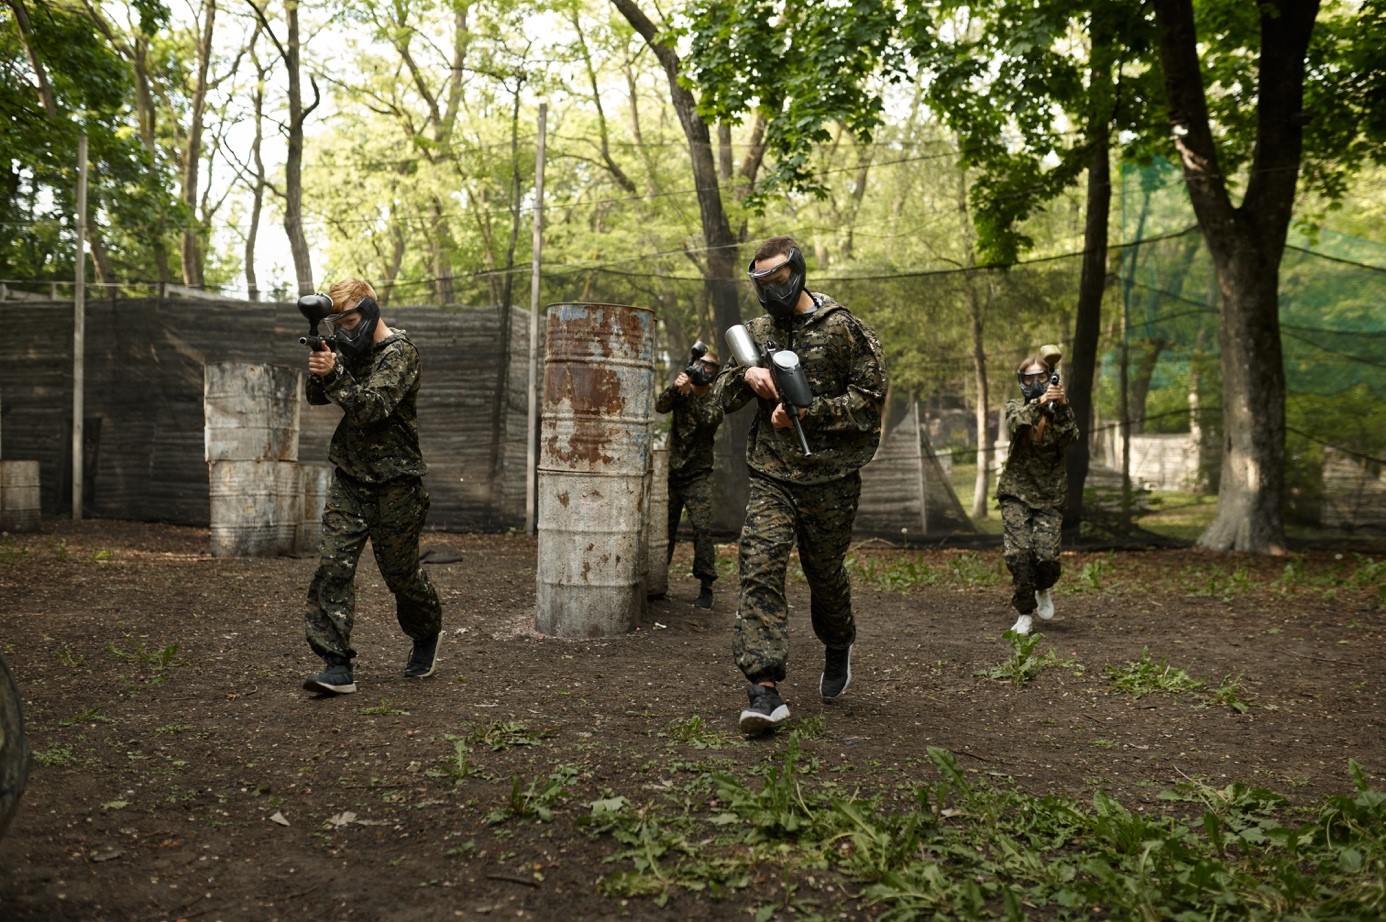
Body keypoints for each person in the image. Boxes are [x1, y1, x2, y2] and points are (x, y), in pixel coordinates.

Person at [716, 236, 886, 735]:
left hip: (831, 478)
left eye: (782, 280)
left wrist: (813, 412)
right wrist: (747, 375)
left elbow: (869, 404)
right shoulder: (756, 332)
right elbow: (721, 398)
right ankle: (763, 690)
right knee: (759, 563)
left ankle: (839, 641)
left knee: (824, 575)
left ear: (799, 271)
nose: (774, 291)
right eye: (763, 284)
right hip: (773, 474)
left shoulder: (843, 329)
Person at [300, 278, 444, 695]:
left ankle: (426, 634)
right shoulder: (344, 348)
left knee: (401, 576)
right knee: (333, 565)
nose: (344, 329)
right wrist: (321, 363)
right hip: (350, 476)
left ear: (370, 312)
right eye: (337, 322)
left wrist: (336, 372)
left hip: (395, 484)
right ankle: (336, 663)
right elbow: (316, 398)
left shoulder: (401, 353)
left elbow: (372, 408)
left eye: (350, 319)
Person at [996, 349, 1079, 637]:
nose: (1035, 384)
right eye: (1029, 378)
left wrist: (1062, 405)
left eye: (1041, 377)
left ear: (1050, 378)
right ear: (1021, 381)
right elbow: (1016, 424)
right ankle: (1024, 613)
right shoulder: (1014, 406)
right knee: (1019, 554)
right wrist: (1041, 402)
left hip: (1050, 496)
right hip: (1015, 493)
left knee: (1047, 560)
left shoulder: (1060, 411)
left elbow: (1070, 437)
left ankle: (1043, 586)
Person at [655, 346, 725, 609]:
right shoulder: (681, 392)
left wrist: (690, 393)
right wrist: (676, 388)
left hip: (698, 476)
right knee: (664, 531)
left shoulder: (714, 398)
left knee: (703, 529)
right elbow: (661, 406)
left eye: (710, 367)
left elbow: (708, 421)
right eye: (701, 363)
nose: (704, 370)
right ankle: (657, 581)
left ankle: (706, 587)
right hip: (672, 474)